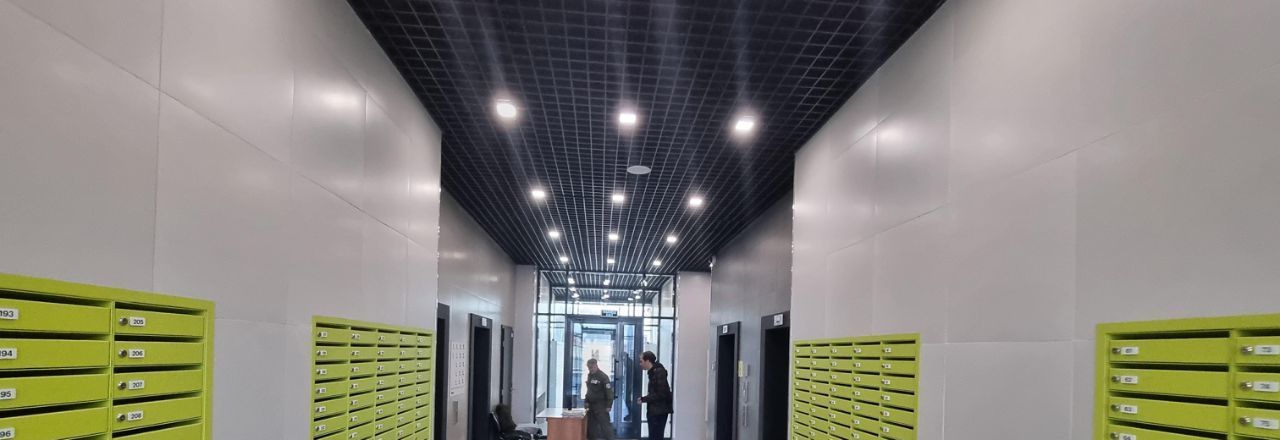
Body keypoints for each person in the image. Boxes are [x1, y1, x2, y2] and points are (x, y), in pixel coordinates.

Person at [638, 351, 671, 440]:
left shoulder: (658, 373)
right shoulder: (653, 372)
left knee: (656, 436)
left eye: (641, 361)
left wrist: (644, 399)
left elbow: (660, 393)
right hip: (655, 410)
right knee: (654, 436)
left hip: (659, 411)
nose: (640, 364)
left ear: (647, 361)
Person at [584, 358, 616, 440]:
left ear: (596, 366)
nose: (590, 369)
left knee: (606, 427)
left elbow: (609, 392)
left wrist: (609, 405)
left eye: (591, 367)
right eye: (589, 368)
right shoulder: (590, 376)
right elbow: (589, 390)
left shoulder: (603, 377)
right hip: (591, 405)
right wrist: (586, 401)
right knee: (591, 429)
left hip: (601, 405)